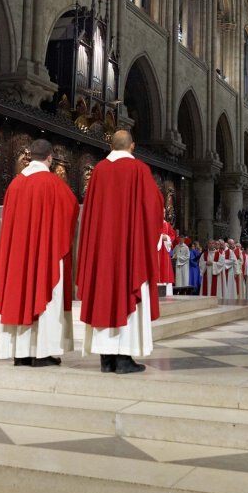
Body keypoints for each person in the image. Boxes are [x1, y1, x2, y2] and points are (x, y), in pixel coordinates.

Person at [76, 130, 164, 374]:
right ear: (132, 146)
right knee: (127, 290)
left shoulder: (99, 171)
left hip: (102, 251)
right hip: (130, 252)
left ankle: (106, 359)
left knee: (103, 293)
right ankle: (123, 359)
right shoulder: (139, 170)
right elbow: (154, 209)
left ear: (110, 145)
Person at [0, 139, 78, 367]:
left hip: (18, 257)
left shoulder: (15, 184)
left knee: (19, 296)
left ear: (30, 157)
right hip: (45, 256)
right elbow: (71, 212)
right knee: (46, 295)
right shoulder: (54, 184)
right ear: (50, 158)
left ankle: (20, 352)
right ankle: (42, 352)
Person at [157, 220, 177, 295]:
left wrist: (167, 238)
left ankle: (167, 293)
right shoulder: (153, 222)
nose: (163, 213)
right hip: (156, 251)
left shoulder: (167, 224)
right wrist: (160, 237)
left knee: (165, 268)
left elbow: (173, 235)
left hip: (165, 250)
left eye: (164, 212)